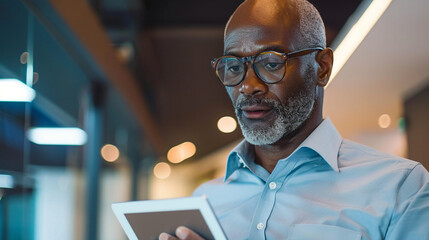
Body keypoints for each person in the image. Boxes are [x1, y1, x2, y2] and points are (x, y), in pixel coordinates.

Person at [159, 0, 429, 239]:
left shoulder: (401, 189)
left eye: (271, 63)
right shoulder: (205, 200)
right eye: (233, 66)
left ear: (322, 67)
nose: (247, 86)